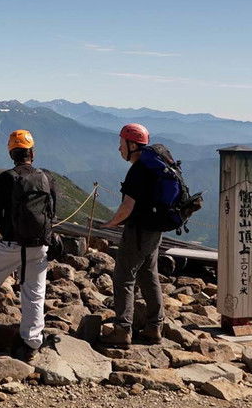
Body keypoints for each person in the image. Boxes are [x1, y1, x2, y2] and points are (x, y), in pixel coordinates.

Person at [0, 129, 57, 360]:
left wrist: (10, 234)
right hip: (38, 245)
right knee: (34, 292)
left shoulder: (6, 178)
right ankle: (32, 341)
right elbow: (53, 211)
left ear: (11, 154)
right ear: (32, 153)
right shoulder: (46, 177)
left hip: (10, 245)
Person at [98, 123, 164, 346]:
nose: (119, 149)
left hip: (138, 231)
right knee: (148, 275)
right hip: (155, 230)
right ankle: (154, 327)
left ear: (132, 144)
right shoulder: (154, 165)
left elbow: (127, 206)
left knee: (123, 277)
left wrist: (110, 223)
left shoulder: (138, 169)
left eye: (121, 144)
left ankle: (122, 330)